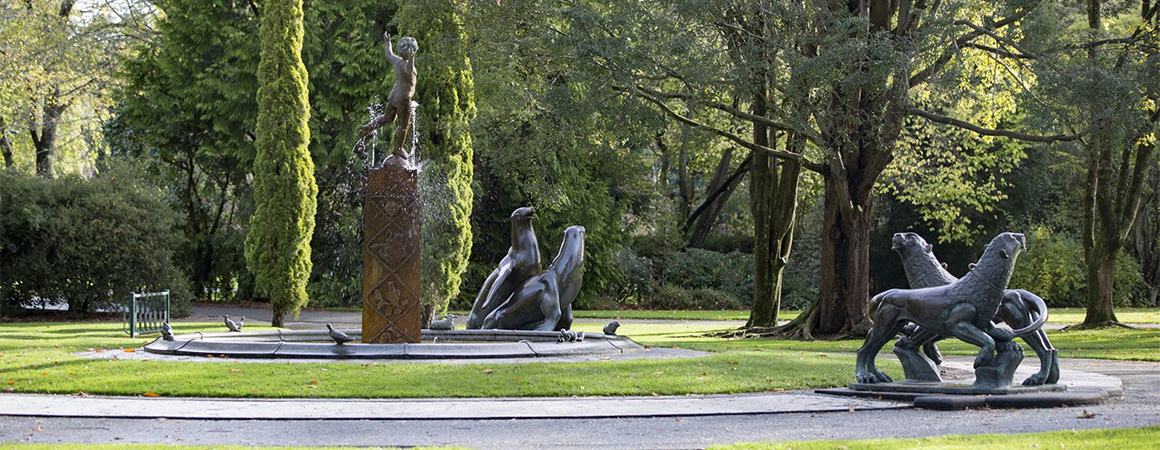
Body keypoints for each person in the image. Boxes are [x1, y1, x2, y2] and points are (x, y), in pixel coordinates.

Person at [360, 32, 417, 159]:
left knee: (387, 118)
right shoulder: (407, 65)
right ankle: (398, 149)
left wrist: (388, 42)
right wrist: (412, 58)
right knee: (403, 125)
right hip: (403, 98)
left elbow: (388, 54)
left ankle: (368, 128)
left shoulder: (397, 61)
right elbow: (409, 70)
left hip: (394, 95)